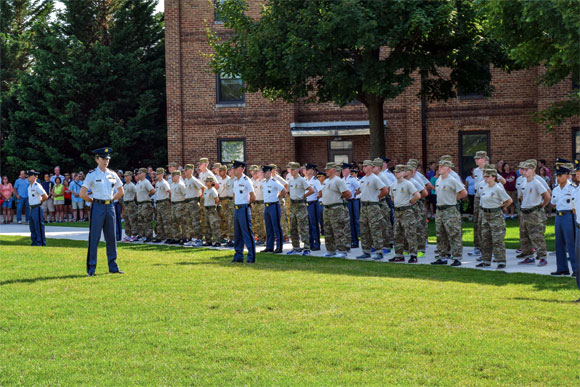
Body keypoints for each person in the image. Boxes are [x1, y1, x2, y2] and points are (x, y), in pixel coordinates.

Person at [79, 147, 124, 276]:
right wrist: (92, 200)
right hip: (97, 206)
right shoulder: (92, 175)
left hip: (110, 207)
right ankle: (92, 267)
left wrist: (111, 199)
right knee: (95, 237)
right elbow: (82, 193)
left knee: (112, 237)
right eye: (103, 159)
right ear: (97, 159)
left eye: (107, 159)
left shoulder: (112, 174)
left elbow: (121, 191)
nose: (106, 161)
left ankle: (113, 266)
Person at [431, 160, 467, 266]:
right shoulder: (438, 181)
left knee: (454, 234)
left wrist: (453, 200)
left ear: (449, 168)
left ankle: (457, 257)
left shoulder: (452, 180)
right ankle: (442, 257)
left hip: (450, 210)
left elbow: (463, 192)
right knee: (440, 234)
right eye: (439, 166)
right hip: (440, 210)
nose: (440, 168)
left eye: (443, 166)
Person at [477, 168, 513, 269]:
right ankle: (486, 260)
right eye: (485, 176)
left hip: (496, 216)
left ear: (494, 177)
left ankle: (501, 261)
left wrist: (501, 208)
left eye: (488, 176)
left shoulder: (498, 188)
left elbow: (509, 200)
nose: (486, 178)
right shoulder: (484, 187)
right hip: (485, 215)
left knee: (497, 240)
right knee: (485, 239)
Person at [518, 161, 551, 267]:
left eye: (526, 170)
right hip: (524, 212)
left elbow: (547, 196)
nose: (524, 172)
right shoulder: (523, 182)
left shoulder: (536, 182)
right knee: (524, 235)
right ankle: (528, 256)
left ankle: (542, 257)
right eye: (523, 170)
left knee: (537, 236)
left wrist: (542, 205)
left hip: (534, 212)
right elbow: (522, 196)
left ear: (533, 170)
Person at [355, 160, 388, 260]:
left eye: (366, 166)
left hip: (373, 206)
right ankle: (366, 251)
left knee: (375, 229)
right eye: (363, 166)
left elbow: (385, 190)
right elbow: (360, 190)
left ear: (371, 167)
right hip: (364, 206)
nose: (364, 168)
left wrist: (378, 197)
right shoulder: (363, 179)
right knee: (364, 229)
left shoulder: (375, 178)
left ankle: (379, 251)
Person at [318, 162, 352, 258]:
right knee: (328, 231)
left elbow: (348, 194)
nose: (326, 171)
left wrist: (339, 198)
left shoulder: (338, 181)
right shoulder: (326, 181)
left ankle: (342, 250)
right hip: (327, 208)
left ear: (333, 170)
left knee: (338, 230)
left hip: (336, 208)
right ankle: (330, 250)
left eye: (328, 169)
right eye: (326, 169)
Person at [389, 165, 421, 263]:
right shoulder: (393, 185)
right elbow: (392, 197)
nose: (396, 173)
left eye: (398, 172)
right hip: (397, 211)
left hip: (407, 211)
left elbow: (417, 195)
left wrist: (410, 202)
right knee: (397, 234)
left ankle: (413, 255)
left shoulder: (408, 184)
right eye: (395, 172)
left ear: (403, 173)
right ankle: (399, 255)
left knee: (410, 233)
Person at [550, 164, 577, 276]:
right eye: (557, 175)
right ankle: (562, 268)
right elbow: (553, 204)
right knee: (559, 243)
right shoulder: (556, 189)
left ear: (567, 175)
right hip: (558, 216)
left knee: (571, 243)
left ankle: (576, 269)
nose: (558, 177)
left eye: (560, 175)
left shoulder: (573, 189)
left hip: (569, 216)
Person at [286, 162, 315, 255]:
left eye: (293, 169)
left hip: (301, 205)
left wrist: (304, 196)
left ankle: (307, 248)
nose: (292, 171)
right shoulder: (290, 181)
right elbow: (288, 192)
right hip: (293, 205)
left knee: (303, 227)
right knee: (293, 227)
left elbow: (311, 190)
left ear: (298, 170)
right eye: (291, 169)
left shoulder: (302, 180)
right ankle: (296, 247)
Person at [231, 160, 256, 263]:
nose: (233, 170)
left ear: (241, 169)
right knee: (237, 234)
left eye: (235, 168)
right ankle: (238, 255)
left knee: (247, 233)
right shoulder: (236, 181)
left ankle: (251, 256)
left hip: (244, 208)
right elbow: (234, 195)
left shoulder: (246, 180)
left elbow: (253, 196)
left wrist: (246, 204)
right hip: (237, 208)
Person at [261, 165, 286, 253]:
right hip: (266, 206)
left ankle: (279, 247)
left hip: (273, 205)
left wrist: (278, 196)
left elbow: (284, 190)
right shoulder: (264, 182)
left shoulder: (274, 181)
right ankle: (269, 246)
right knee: (268, 227)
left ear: (269, 172)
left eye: (265, 172)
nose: (264, 174)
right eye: (263, 172)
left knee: (276, 227)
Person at [470, 151, 488, 256]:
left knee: (484, 222)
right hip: (477, 195)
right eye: (475, 158)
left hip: (486, 196)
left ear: (484, 159)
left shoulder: (490, 170)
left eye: (478, 158)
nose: (476, 160)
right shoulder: (476, 171)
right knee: (476, 221)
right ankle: (477, 246)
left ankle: (486, 247)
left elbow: (501, 181)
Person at [182, 164, 205, 247]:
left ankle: (199, 239)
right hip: (188, 202)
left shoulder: (193, 180)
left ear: (191, 171)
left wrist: (201, 196)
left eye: (186, 170)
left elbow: (203, 188)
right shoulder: (186, 180)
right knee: (189, 222)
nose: (184, 172)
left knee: (196, 222)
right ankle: (192, 239)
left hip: (193, 202)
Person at [26, 170, 48, 246]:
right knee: (32, 227)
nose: (28, 177)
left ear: (34, 177)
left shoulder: (37, 186)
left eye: (30, 176)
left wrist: (40, 202)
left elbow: (45, 196)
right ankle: (34, 242)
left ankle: (41, 243)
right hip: (31, 208)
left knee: (38, 226)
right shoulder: (29, 186)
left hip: (37, 207)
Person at [342, 162, 360, 248]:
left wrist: (355, 194)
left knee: (352, 221)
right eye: (342, 169)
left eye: (344, 169)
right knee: (346, 222)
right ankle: (348, 240)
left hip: (351, 201)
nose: (343, 171)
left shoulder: (352, 179)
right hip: (344, 202)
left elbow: (360, 188)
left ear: (348, 170)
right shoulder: (342, 180)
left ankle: (355, 241)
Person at [304, 163, 322, 251]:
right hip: (306, 204)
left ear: (311, 170)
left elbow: (320, 192)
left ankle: (317, 243)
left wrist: (315, 198)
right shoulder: (305, 180)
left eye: (307, 169)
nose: (306, 171)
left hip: (313, 204)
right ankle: (310, 243)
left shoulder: (315, 181)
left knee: (314, 225)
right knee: (308, 225)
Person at [135, 167, 155, 242]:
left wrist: (148, 196)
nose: (138, 175)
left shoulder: (146, 182)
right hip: (140, 204)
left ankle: (149, 236)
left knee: (147, 220)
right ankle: (142, 235)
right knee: (140, 220)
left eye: (140, 173)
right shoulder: (138, 182)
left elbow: (152, 190)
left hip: (145, 203)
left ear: (143, 174)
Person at [152, 168, 171, 243]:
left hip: (164, 202)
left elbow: (170, 192)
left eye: (158, 174)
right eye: (156, 174)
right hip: (158, 203)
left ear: (162, 174)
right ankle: (160, 236)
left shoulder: (164, 183)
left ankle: (169, 236)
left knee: (166, 221)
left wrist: (169, 202)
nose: (156, 175)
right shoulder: (157, 183)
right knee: (158, 221)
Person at [250, 165, 267, 245]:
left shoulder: (263, 181)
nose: (252, 173)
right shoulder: (251, 181)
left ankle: (266, 238)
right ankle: (259, 237)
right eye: (251, 171)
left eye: (254, 171)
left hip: (262, 203)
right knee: (257, 221)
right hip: (255, 204)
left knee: (264, 221)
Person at [217, 164, 233, 244]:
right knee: (222, 219)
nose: (219, 172)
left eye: (221, 171)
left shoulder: (229, 179)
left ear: (225, 171)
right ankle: (223, 235)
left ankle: (228, 236)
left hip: (227, 200)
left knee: (227, 219)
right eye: (219, 171)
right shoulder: (219, 179)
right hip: (221, 200)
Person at [202, 175, 221, 246]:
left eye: (208, 181)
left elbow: (217, 200)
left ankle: (217, 241)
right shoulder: (206, 190)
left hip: (212, 208)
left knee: (214, 225)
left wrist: (215, 207)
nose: (206, 183)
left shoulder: (213, 190)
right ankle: (208, 240)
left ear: (211, 182)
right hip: (206, 208)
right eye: (206, 181)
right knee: (207, 226)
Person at [170, 170, 188, 245]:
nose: (172, 178)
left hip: (180, 204)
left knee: (182, 222)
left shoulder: (181, 185)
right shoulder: (172, 184)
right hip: (174, 204)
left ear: (178, 176)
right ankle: (176, 237)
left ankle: (184, 237)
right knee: (174, 222)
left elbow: (185, 195)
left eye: (173, 176)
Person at [572, 160, 580, 302]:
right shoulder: (575, 190)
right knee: (579, 263)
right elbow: (574, 209)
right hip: (579, 229)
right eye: (576, 172)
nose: (577, 174)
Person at [121, 171, 137, 242]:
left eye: (127, 176)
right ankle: (128, 234)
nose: (125, 177)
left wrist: (134, 201)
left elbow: (136, 193)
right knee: (126, 220)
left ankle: (134, 234)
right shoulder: (125, 185)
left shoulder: (132, 185)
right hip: (126, 204)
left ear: (130, 177)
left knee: (132, 219)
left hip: (131, 203)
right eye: (124, 176)